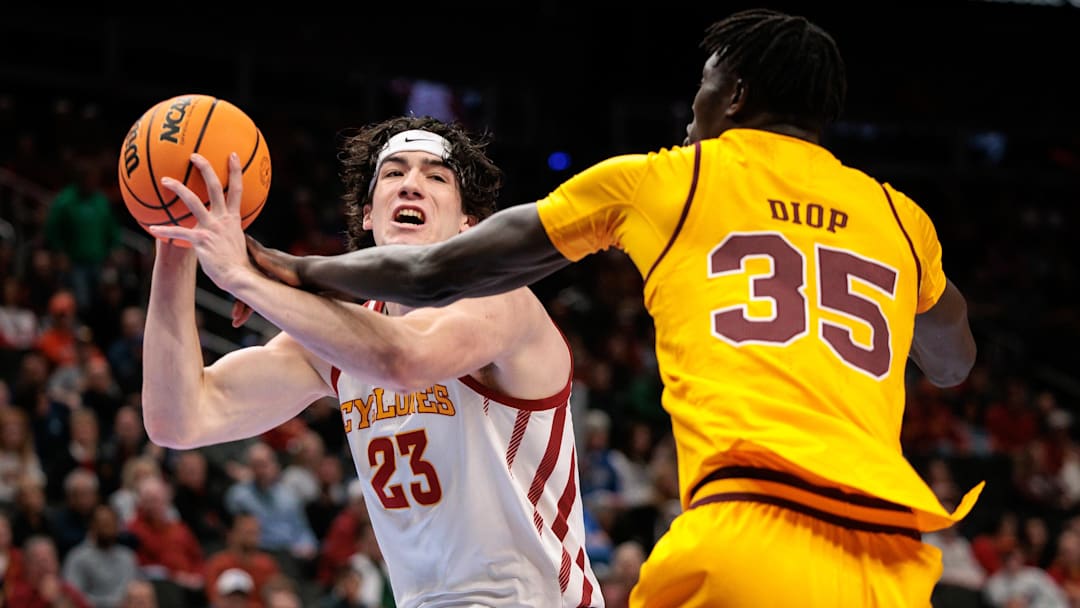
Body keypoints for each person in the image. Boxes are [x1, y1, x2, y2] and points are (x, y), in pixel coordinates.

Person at [239, 9, 982, 607]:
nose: (691, 111)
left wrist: (295, 269)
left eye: (704, 86)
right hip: (891, 562)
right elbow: (953, 362)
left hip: (751, 530)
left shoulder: (672, 177)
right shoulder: (898, 216)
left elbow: (436, 271)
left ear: (737, 95)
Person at [141, 116, 602, 607]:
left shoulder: (502, 299)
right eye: (394, 173)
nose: (411, 185)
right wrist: (178, 242)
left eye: (436, 176)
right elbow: (180, 417)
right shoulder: (340, 343)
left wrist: (245, 279)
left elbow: (404, 358)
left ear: (469, 223)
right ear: (367, 214)